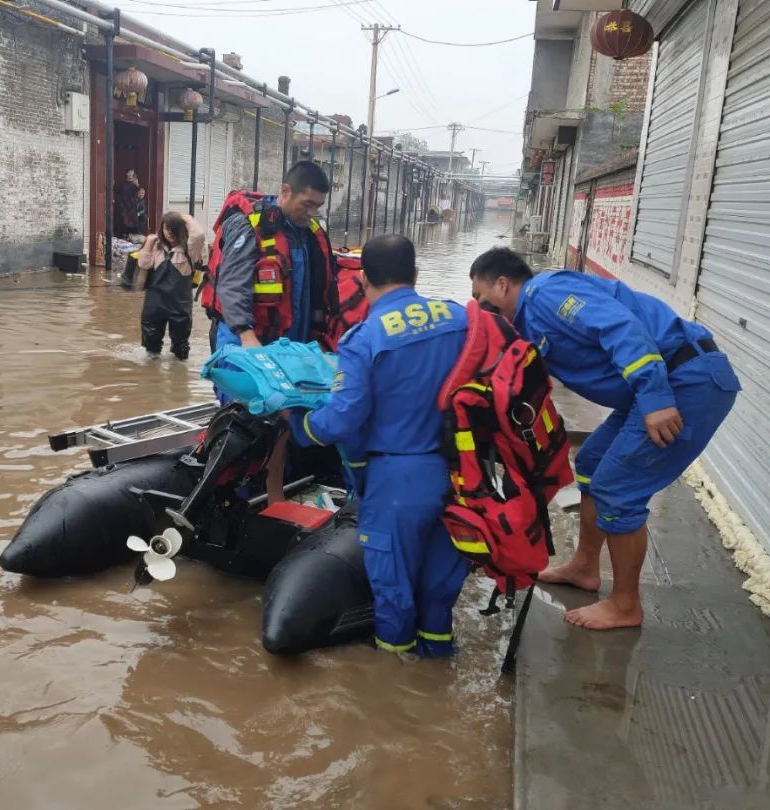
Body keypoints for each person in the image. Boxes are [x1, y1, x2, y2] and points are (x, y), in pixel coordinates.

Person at [469, 247, 740, 630]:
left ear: (502, 283)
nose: (480, 309)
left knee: (617, 487)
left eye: (482, 298)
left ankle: (626, 605)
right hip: (665, 384)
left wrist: (656, 398)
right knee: (593, 463)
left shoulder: (545, 294)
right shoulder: (528, 322)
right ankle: (584, 567)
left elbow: (619, 326)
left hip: (686, 381)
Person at [289, 234, 471, 658]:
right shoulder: (459, 318)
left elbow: (344, 417)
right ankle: (438, 663)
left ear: (364, 280)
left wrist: (300, 426)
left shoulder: (364, 337)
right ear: (416, 273)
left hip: (398, 481)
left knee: (393, 587)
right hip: (462, 475)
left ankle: (394, 683)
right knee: (439, 585)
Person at [201, 160, 339, 502]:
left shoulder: (308, 234)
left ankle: (274, 493)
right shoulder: (249, 226)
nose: (311, 213)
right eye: (307, 204)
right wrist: (247, 336)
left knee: (286, 419)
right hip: (246, 343)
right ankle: (232, 491)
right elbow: (232, 287)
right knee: (254, 417)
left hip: (289, 346)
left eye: (317, 207)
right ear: (286, 191)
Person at [136, 211, 204, 361]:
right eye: (166, 228)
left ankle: (178, 378)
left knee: (181, 349)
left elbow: (198, 234)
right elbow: (144, 264)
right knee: (151, 348)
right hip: (155, 303)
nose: (169, 233)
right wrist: (148, 241)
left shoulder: (190, 249)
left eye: (173, 228)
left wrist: (185, 217)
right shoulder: (157, 247)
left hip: (179, 305)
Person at [113, 169, 140, 239]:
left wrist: (137, 185)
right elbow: (115, 190)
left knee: (132, 220)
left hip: (132, 204)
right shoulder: (122, 183)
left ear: (133, 174)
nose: (130, 174)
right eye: (129, 172)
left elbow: (139, 193)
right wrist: (112, 184)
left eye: (132, 172)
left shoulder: (135, 183)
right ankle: (122, 236)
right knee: (123, 219)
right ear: (126, 173)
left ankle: (130, 236)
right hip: (123, 205)